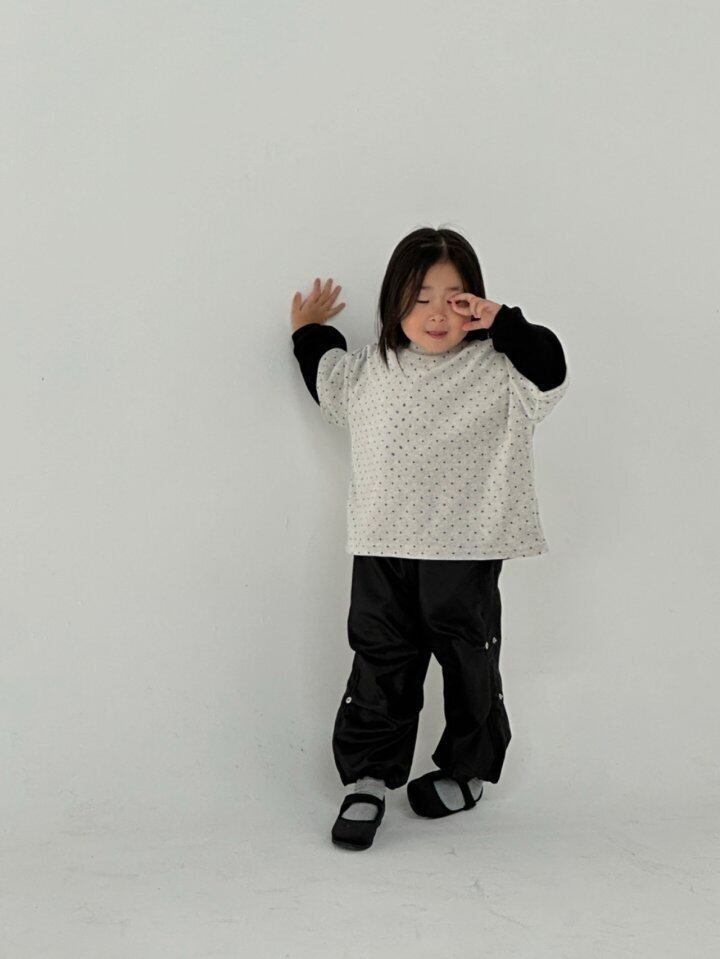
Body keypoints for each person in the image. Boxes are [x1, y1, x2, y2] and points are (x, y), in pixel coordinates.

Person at [290, 226, 570, 851]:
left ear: (478, 302)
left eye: (455, 298)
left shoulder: (504, 369)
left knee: (469, 660)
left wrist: (504, 323)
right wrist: (309, 331)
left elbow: (551, 368)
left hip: (466, 549)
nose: (437, 313)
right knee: (380, 659)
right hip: (382, 546)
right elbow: (324, 374)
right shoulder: (371, 369)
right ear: (393, 303)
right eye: (419, 298)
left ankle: (468, 770)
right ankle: (367, 777)